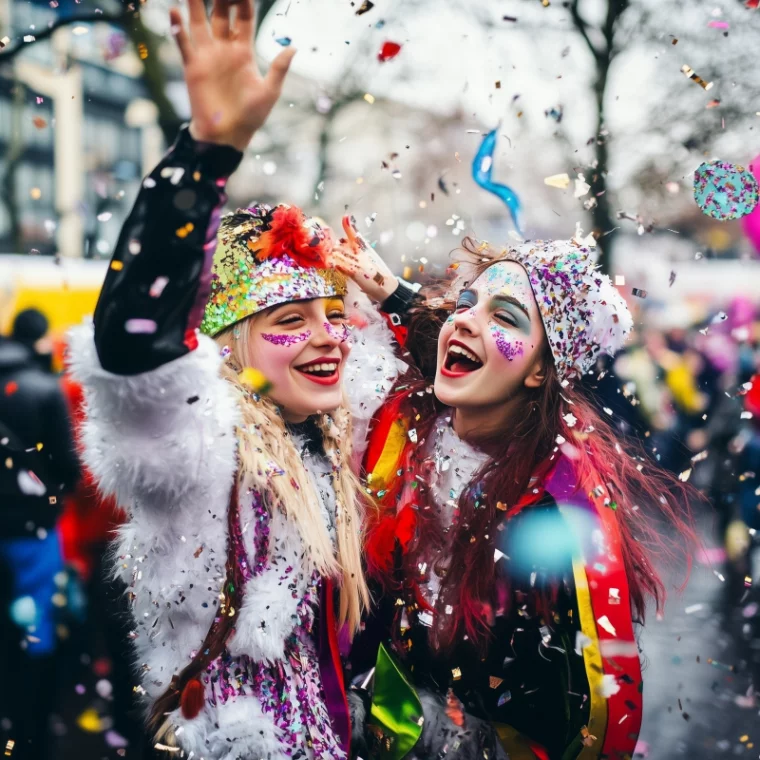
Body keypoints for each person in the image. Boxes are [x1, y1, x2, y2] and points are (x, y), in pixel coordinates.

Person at [66, 1, 399, 756]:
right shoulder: (199, 455)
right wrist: (206, 155)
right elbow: (132, 347)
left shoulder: (340, 441)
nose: (325, 338)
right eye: (288, 322)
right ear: (229, 351)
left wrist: (399, 301)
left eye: (330, 314)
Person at [337, 237, 697, 760]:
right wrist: (393, 292)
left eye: (504, 316)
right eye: (464, 305)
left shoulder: (565, 498)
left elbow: (604, 706)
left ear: (540, 369)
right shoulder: (411, 419)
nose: (462, 322)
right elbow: (446, 337)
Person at [0, 322, 80, 759]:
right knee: (36, 626)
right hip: (33, 530)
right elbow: (68, 465)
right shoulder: (45, 388)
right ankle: (31, 730)